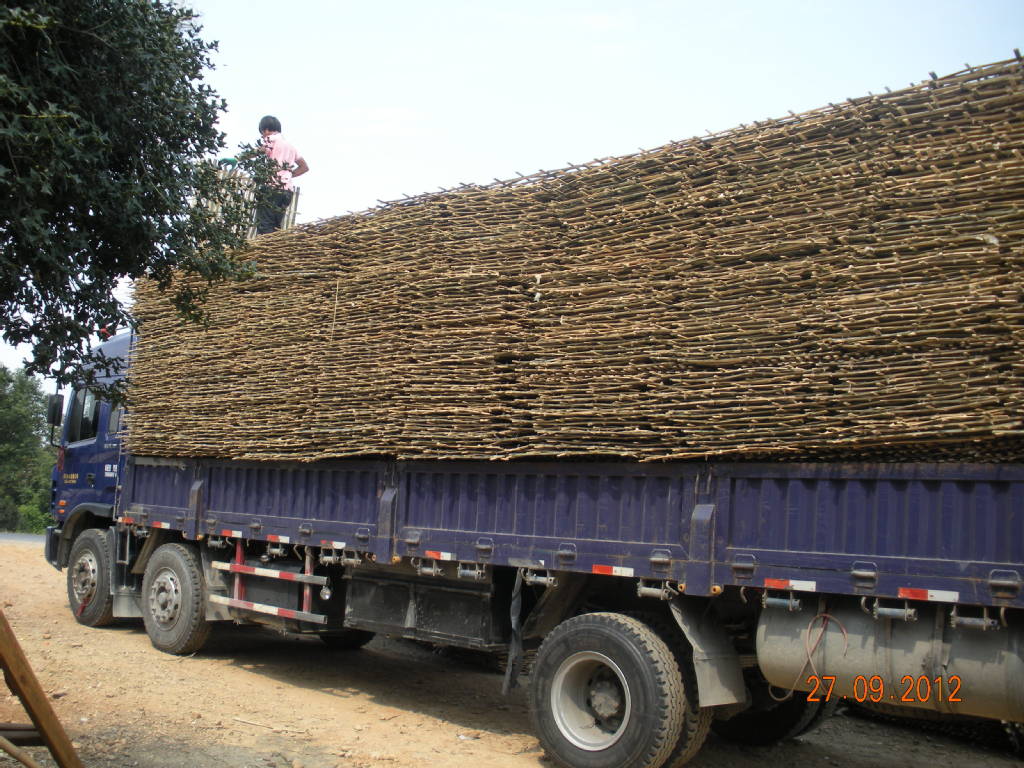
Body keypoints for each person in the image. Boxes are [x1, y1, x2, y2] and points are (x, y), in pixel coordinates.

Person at [254, 115, 309, 234]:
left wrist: (237, 159)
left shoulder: (271, 140)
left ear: (266, 130)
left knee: (265, 225)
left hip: (271, 188)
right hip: (286, 191)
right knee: (275, 226)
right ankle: (273, 249)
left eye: (262, 133)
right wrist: (288, 175)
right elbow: (304, 167)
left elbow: (258, 151)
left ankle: (264, 250)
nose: (263, 136)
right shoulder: (290, 146)